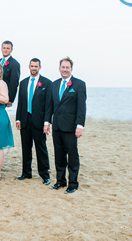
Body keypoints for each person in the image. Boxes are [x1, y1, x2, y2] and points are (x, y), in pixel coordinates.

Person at [46, 57, 86, 194]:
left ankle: (73, 183)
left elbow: (82, 107)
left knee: (72, 156)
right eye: (62, 67)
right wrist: (47, 122)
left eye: (67, 67)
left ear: (71, 69)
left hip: (70, 127)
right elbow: (50, 106)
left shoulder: (79, 85)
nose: (64, 69)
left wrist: (80, 125)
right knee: (59, 155)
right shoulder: (54, 84)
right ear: (59, 68)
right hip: (57, 126)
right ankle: (60, 181)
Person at [15, 58, 53, 185]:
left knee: (41, 148)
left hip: (39, 121)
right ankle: (26, 173)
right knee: (26, 147)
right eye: (32, 66)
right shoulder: (23, 83)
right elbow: (20, 103)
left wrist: (47, 122)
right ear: (29, 66)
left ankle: (45, 174)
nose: (34, 68)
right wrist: (18, 119)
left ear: (40, 67)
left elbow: (49, 105)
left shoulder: (47, 83)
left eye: (36, 66)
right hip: (25, 120)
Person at [0, 41, 19, 108]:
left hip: (4, 95)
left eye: (8, 48)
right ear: (1, 49)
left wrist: (10, 99)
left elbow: (14, 83)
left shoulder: (15, 64)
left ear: (11, 50)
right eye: (4, 48)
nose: (5, 50)